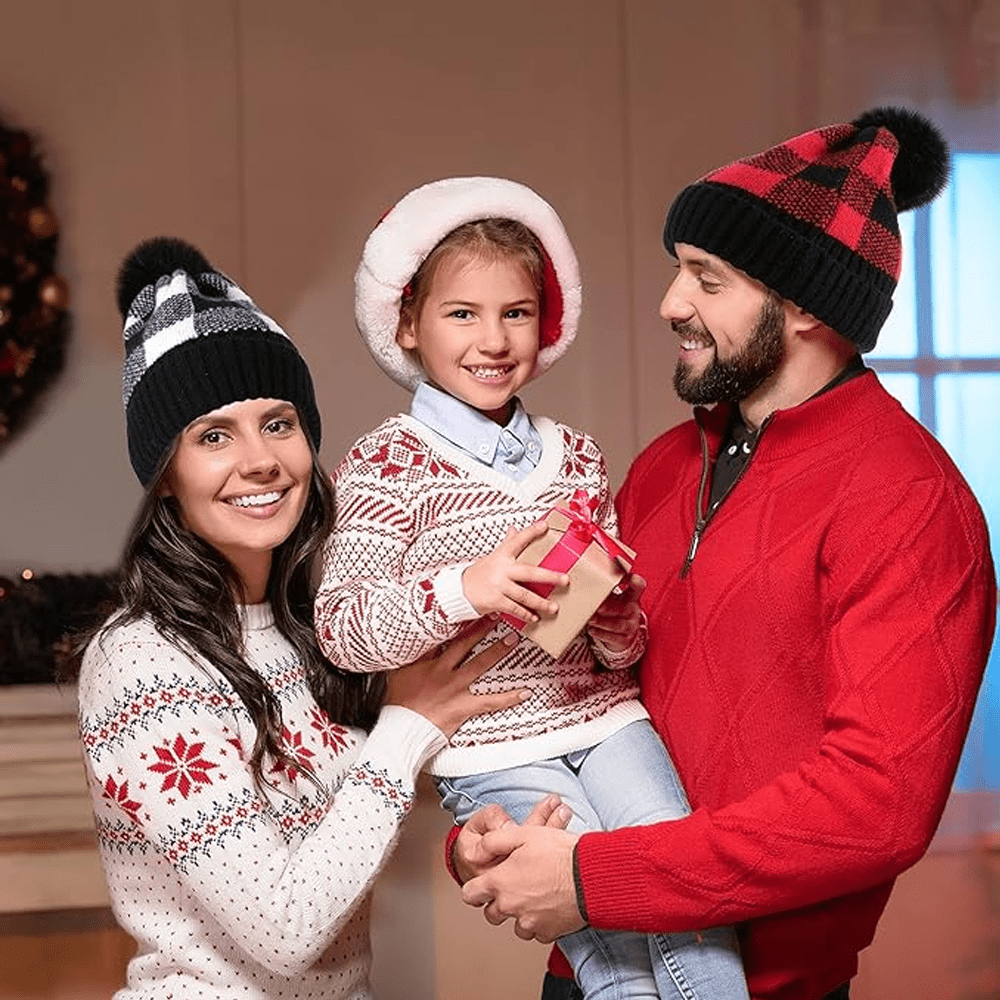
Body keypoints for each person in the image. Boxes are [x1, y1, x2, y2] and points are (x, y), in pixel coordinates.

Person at [453, 108, 998, 1000]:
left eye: (707, 279)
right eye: (681, 273)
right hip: (589, 967)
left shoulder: (911, 501)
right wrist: (491, 825)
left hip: (763, 985)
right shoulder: (665, 467)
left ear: (810, 305)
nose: (672, 302)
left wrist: (593, 878)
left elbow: (876, 807)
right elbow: (561, 686)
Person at [314, 176, 750, 999]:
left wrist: (614, 609)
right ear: (408, 324)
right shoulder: (384, 464)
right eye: (462, 313)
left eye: (515, 312)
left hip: (610, 724)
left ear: (544, 322)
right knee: (616, 963)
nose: (493, 339)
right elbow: (342, 627)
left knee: (697, 929)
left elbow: (613, 650)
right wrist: (468, 588)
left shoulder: (577, 458)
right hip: (494, 750)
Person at [72, 236, 532, 1000]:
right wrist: (411, 727)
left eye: (278, 422)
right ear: (164, 478)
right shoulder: (142, 663)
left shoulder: (313, 626)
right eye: (213, 435)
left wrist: (462, 852)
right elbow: (282, 927)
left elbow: (340, 830)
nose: (261, 461)